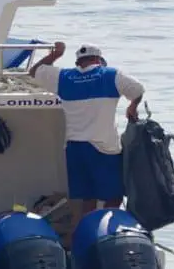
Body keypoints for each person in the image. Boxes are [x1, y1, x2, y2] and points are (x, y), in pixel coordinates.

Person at [29, 42, 144, 246]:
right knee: (113, 197)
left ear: (78, 62)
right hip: (103, 147)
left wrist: (55, 55)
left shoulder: (63, 77)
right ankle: (108, 237)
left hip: (74, 147)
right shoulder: (110, 74)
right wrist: (132, 107)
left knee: (86, 199)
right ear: (98, 60)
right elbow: (138, 89)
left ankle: (83, 240)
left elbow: (34, 71)